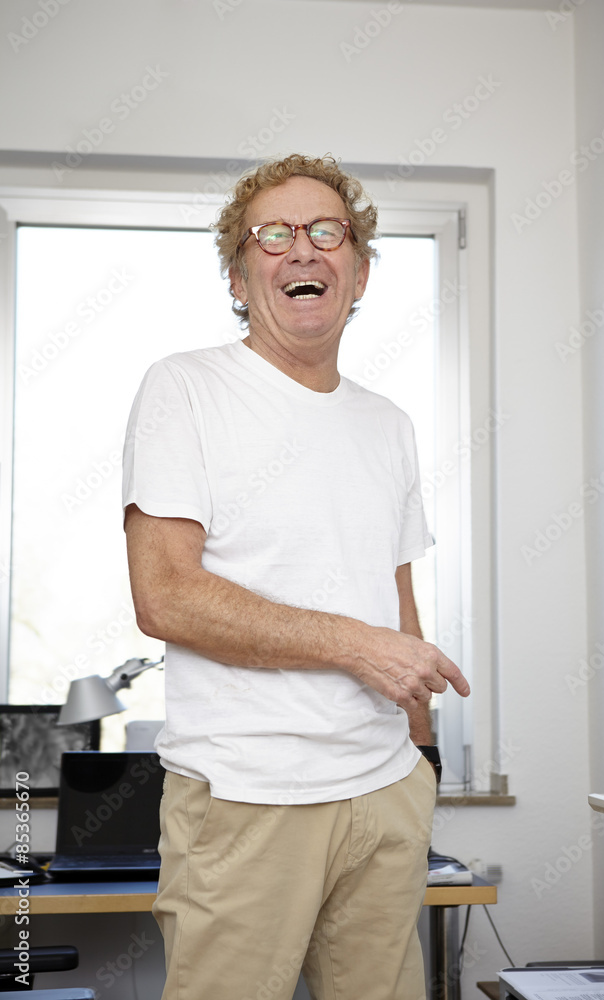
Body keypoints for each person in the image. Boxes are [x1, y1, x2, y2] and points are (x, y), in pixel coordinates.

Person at [122, 153, 470, 1000]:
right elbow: (165, 598)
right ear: (237, 277)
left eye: (326, 232)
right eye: (273, 235)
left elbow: (397, 606)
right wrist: (354, 646)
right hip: (246, 797)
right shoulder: (184, 389)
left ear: (359, 273)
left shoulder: (388, 425)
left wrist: (421, 760)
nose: (302, 249)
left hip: (384, 793)